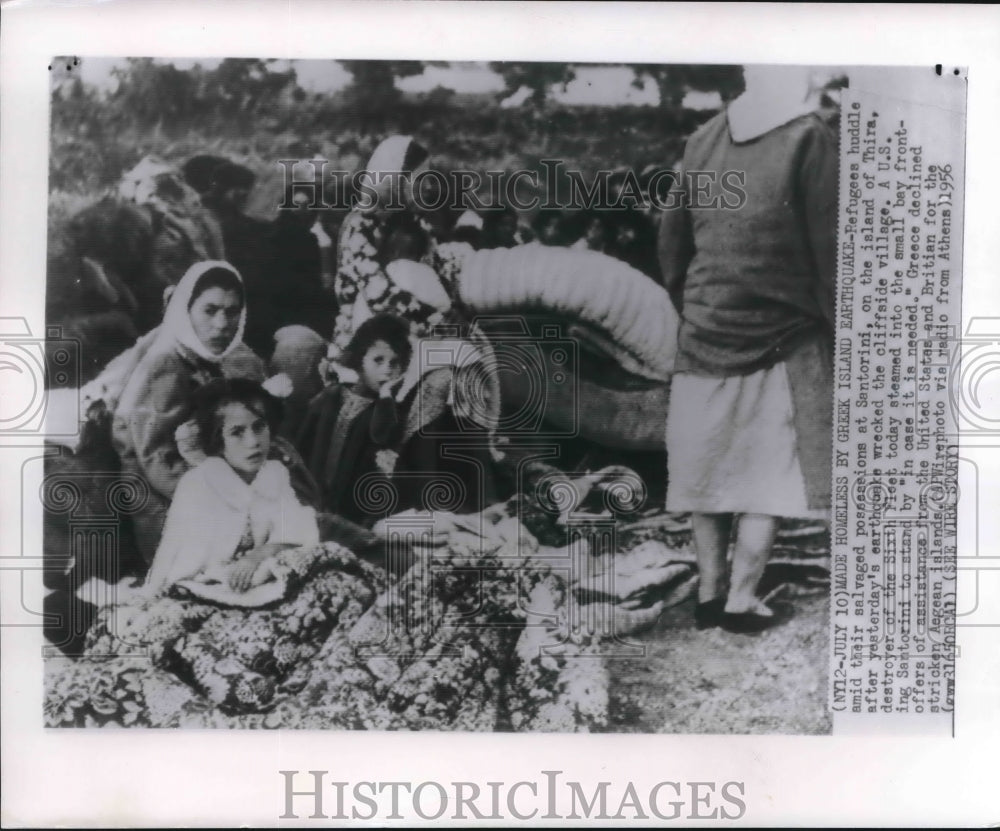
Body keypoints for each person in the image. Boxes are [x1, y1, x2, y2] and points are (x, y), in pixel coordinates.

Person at [657, 65, 836, 634]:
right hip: (782, 335)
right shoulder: (810, 139)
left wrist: (697, 306)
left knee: (704, 471)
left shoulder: (703, 138)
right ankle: (741, 599)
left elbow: (672, 244)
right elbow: (829, 248)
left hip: (706, 333)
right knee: (769, 475)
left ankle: (708, 596)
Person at [111, 260, 267, 564]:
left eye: (232, 311)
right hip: (157, 492)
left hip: (200, 477)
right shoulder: (166, 364)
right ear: (186, 311)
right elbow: (156, 459)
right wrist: (224, 495)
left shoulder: (213, 358)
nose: (222, 324)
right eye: (209, 311)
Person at [143, 378, 319, 598]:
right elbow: (182, 558)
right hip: (204, 587)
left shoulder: (273, 473)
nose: (253, 442)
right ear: (217, 440)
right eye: (237, 432)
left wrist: (260, 554)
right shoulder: (199, 484)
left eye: (259, 427)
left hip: (259, 577)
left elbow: (295, 529)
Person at [295, 314, 412, 526]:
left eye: (395, 363)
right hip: (313, 502)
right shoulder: (330, 397)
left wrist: (386, 396)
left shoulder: (389, 410)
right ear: (359, 360)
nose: (387, 369)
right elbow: (301, 446)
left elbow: (383, 435)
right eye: (378, 360)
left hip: (354, 514)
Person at [331, 135, 443, 355]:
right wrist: (433, 316)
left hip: (415, 330)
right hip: (365, 342)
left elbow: (437, 273)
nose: (429, 187)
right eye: (421, 179)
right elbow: (376, 291)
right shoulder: (360, 225)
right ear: (396, 179)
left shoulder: (417, 224)